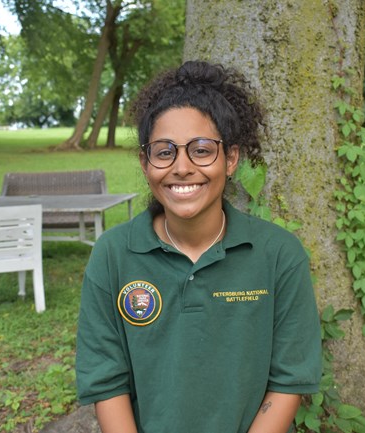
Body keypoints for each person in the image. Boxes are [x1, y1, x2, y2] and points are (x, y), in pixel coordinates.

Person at [75, 60, 322, 433]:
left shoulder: (279, 255)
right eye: (164, 151)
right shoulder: (112, 254)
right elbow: (106, 379)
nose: (182, 167)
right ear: (145, 163)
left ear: (232, 158)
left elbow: (289, 379)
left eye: (202, 150)